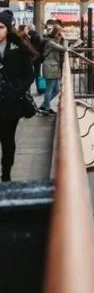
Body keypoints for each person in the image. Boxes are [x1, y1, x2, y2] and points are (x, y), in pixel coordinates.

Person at [0, 10, 36, 181]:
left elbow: (30, 75)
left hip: (10, 105)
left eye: (0, 27)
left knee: (7, 141)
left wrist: (17, 93)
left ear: (8, 29)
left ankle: (6, 174)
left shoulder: (19, 49)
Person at [39, 23, 66, 115]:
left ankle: (43, 105)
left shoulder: (51, 41)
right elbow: (64, 48)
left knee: (57, 89)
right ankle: (46, 108)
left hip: (53, 67)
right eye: (60, 33)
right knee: (49, 89)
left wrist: (59, 38)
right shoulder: (50, 43)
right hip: (50, 67)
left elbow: (58, 46)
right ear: (57, 33)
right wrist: (64, 39)